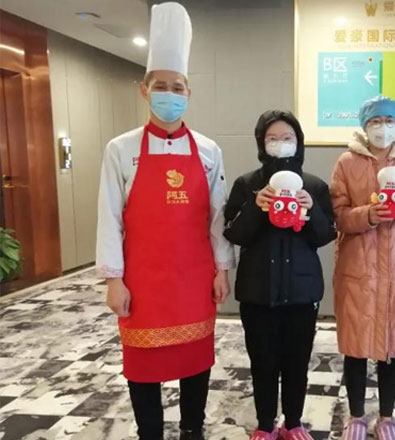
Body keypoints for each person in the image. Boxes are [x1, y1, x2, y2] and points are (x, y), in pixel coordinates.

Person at [95, 3, 234, 440]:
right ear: (144, 90)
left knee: (196, 360)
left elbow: (217, 217)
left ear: (189, 93)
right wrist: (113, 280)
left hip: (194, 276)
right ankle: (149, 433)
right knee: (143, 365)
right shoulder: (121, 149)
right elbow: (109, 217)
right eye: (160, 86)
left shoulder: (208, 150)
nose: (168, 94)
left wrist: (222, 269)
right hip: (143, 281)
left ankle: (193, 429)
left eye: (177, 87)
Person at [223, 110, 336, 440]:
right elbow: (234, 233)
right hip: (258, 293)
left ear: (299, 142)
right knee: (263, 362)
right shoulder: (247, 184)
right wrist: (255, 206)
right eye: (272, 138)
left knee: (297, 363)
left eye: (288, 138)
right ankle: (264, 424)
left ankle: (293, 423)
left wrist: (311, 208)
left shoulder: (314, 185)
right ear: (261, 143)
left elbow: (326, 235)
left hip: (302, 292)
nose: (281, 143)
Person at [330, 96, 395, 440]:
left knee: (392, 347)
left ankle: (387, 417)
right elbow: (337, 213)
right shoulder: (346, 162)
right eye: (376, 120)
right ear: (365, 125)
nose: (383, 126)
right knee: (356, 347)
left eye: (389, 120)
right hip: (359, 269)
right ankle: (356, 416)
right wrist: (368, 215)